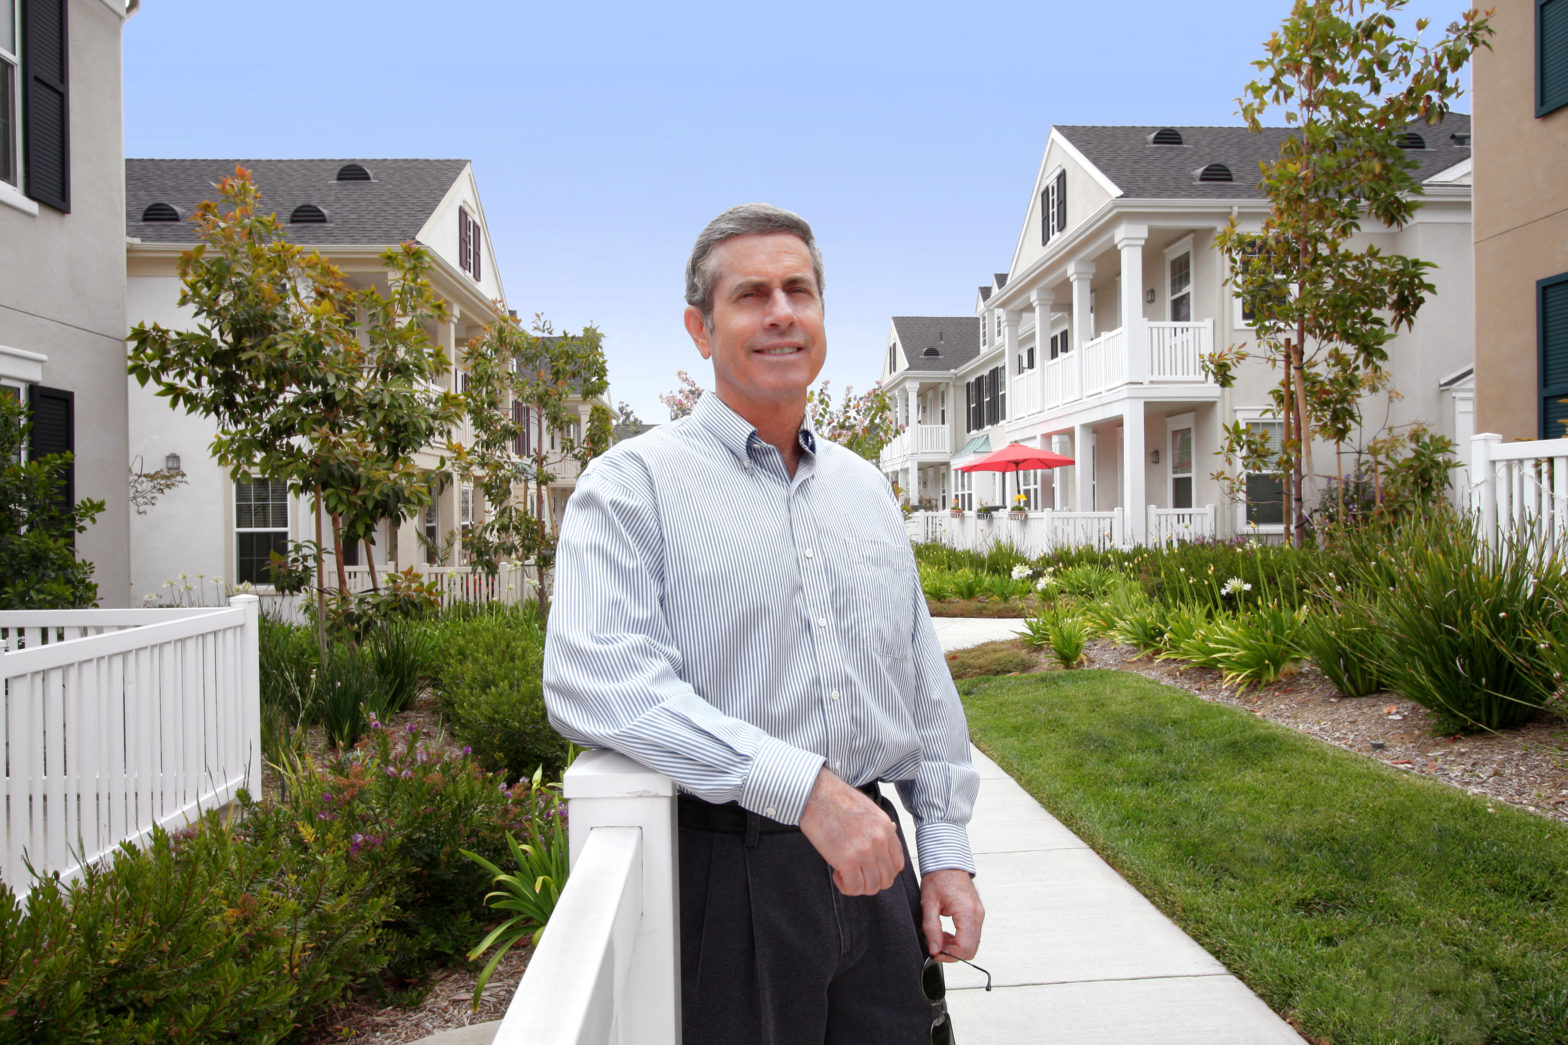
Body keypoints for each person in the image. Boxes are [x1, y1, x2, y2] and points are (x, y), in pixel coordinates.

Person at [543, 203, 983, 1044]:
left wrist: (948, 851)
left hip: (878, 870)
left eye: (799, 290)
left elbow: (922, 683)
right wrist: (806, 788)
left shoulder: (867, 491)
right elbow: (594, 676)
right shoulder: (632, 485)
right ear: (700, 329)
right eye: (751, 295)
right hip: (735, 879)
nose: (781, 312)